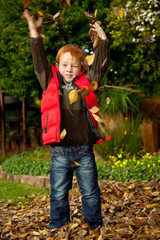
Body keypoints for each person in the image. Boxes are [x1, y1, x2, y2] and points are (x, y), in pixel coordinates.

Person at [23, 9, 110, 230]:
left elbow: (100, 65)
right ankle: (58, 225)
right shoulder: (50, 81)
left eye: (74, 65)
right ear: (58, 65)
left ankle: (95, 225)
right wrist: (35, 32)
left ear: (81, 67)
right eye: (64, 65)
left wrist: (103, 38)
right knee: (59, 193)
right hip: (60, 152)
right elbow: (39, 61)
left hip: (84, 150)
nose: (69, 69)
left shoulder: (87, 82)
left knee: (90, 192)